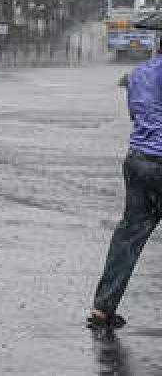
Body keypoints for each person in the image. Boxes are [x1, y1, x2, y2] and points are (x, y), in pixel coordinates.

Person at [88, 41, 162, 330]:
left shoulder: (137, 74)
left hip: (138, 159)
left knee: (129, 234)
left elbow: (136, 115)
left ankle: (103, 308)